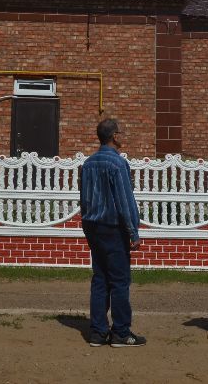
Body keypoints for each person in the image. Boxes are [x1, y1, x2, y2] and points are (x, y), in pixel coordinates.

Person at [79, 118, 146, 347]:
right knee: (119, 280)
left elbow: (84, 200)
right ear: (114, 136)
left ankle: (98, 332)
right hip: (112, 227)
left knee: (100, 278)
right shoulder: (117, 164)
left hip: (92, 225)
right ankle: (120, 332)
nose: (123, 136)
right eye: (121, 132)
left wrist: (87, 226)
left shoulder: (88, 164)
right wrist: (133, 232)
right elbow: (125, 201)